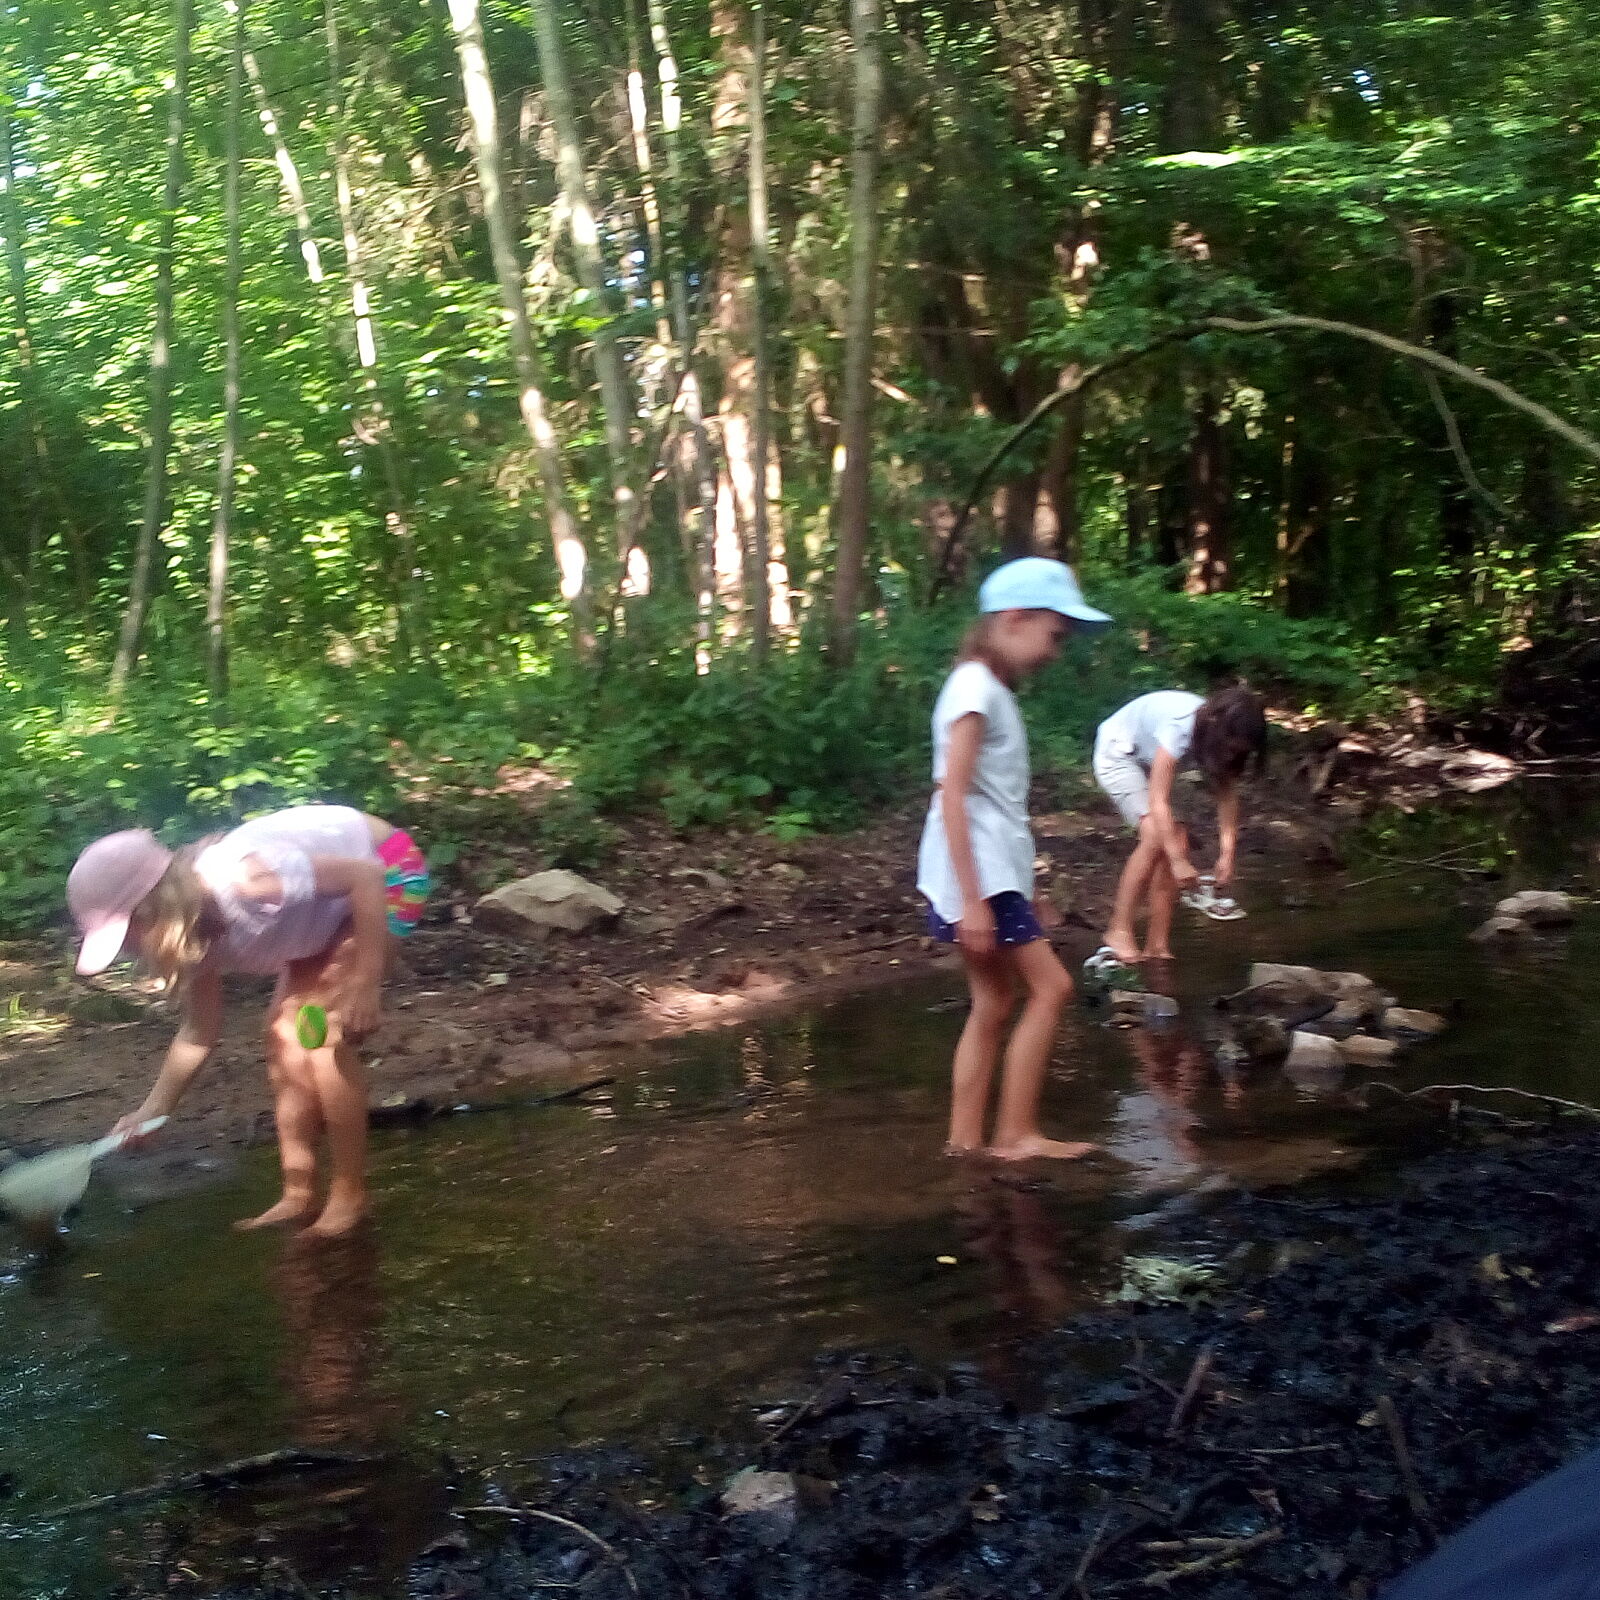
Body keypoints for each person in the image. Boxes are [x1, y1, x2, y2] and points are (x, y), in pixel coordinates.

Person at [67, 805, 430, 1237]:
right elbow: (198, 1032)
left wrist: (365, 982)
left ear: (153, 910)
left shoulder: (246, 880)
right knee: (280, 1035)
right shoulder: (191, 934)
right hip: (328, 912)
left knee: (319, 1035)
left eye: (127, 940)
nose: (130, 954)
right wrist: (153, 1110)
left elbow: (364, 876)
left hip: (389, 869)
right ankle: (298, 1193)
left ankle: (350, 1195)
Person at [917, 556, 1112, 1161]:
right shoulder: (975, 688)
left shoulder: (983, 686)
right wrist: (975, 900)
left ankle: (964, 1143)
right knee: (1053, 988)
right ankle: (1014, 1135)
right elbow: (953, 795)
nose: (1055, 651)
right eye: (1055, 634)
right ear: (1014, 618)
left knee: (995, 1001)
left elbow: (991, 804)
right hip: (979, 880)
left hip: (990, 876)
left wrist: (1026, 893)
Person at [1092, 685, 1266, 963]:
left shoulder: (1221, 732)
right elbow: (1158, 800)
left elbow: (1227, 796)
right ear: (1218, 726)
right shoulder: (1179, 727)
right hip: (1118, 753)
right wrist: (1177, 862)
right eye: (1231, 747)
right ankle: (1118, 930)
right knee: (1155, 836)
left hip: (1148, 757)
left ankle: (1157, 946)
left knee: (1177, 840)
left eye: (1240, 751)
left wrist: (1227, 854)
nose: (1232, 755)